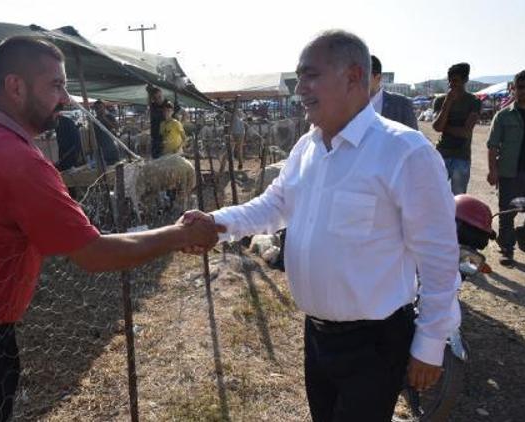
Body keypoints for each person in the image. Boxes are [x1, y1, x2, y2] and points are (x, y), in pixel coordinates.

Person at [0, 37, 222, 422]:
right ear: (15, 87)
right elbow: (94, 253)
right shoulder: (18, 159)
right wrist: (181, 235)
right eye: (55, 85)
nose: (67, 98)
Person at [182, 30, 460, 421]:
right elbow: (274, 205)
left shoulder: (405, 152)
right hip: (317, 336)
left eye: (310, 75)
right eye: (299, 78)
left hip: (375, 342)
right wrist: (215, 223)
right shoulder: (307, 147)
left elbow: (439, 257)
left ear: (352, 76)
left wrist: (430, 343)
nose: (300, 89)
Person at [486, 70, 525, 266]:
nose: (524, 91)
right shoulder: (503, 116)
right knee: (507, 212)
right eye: (520, 87)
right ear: (513, 88)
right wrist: (492, 170)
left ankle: (523, 232)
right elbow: (492, 145)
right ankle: (507, 249)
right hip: (510, 172)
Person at [432, 62, 482, 194]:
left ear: (465, 80)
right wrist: (447, 103)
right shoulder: (440, 101)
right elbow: (437, 127)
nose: (451, 84)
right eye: (449, 81)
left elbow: (465, 132)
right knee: (435, 196)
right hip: (442, 154)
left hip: (462, 157)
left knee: (458, 200)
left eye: (455, 81)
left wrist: (445, 128)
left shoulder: (474, 102)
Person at [369, 55, 418, 129]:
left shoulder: (402, 104)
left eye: (363, 77)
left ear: (378, 78)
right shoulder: (349, 105)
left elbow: (413, 138)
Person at [92, 99, 120, 165]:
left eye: (100, 107)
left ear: (104, 107)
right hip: (100, 149)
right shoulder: (94, 119)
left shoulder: (110, 116)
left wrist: (104, 118)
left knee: (115, 167)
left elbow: (116, 127)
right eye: (96, 108)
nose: (98, 109)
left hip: (111, 148)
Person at [147, 85, 165, 159]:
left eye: (160, 97)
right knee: (156, 158)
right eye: (156, 98)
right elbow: (149, 102)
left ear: (162, 95)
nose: (158, 99)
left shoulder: (168, 105)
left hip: (165, 136)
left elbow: (183, 113)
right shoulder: (153, 107)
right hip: (155, 137)